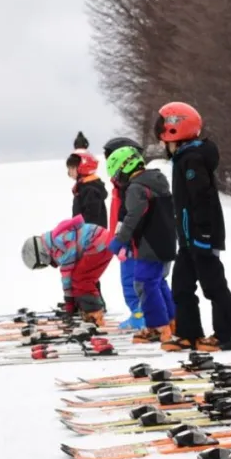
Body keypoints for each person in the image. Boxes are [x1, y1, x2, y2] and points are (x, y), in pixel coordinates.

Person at [155, 102, 231, 351]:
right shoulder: (184, 158)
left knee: (213, 285)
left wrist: (203, 235)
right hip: (187, 238)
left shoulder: (193, 160)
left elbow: (202, 200)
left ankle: (230, 335)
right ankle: (189, 333)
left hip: (202, 235)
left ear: (174, 131)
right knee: (182, 286)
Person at [105, 146, 177, 345]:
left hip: (149, 245)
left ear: (123, 169)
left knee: (144, 283)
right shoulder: (157, 182)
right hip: (166, 243)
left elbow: (133, 217)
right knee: (158, 282)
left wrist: (120, 240)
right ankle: (171, 323)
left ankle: (157, 328)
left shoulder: (135, 188)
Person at [21, 215, 113, 325]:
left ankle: (94, 312)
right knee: (84, 276)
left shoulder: (58, 246)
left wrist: (69, 303)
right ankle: (90, 305)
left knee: (81, 278)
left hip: (99, 244)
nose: (48, 265)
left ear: (42, 255)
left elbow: (67, 277)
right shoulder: (54, 241)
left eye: (42, 264)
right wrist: (72, 302)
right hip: (101, 242)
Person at [104, 137, 146, 331]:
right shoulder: (119, 186)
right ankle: (138, 313)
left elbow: (129, 215)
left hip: (130, 243)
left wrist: (124, 240)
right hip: (122, 240)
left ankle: (141, 315)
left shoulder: (129, 188)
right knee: (129, 281)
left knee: (133, 281)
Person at [66, 149, 108, 227]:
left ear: (83, 167)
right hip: (84, 233)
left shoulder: (90, 190)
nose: (69, 172)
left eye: (72, 168)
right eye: (68, 169)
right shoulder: (83, 187)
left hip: (90, 235)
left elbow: (91, 220)